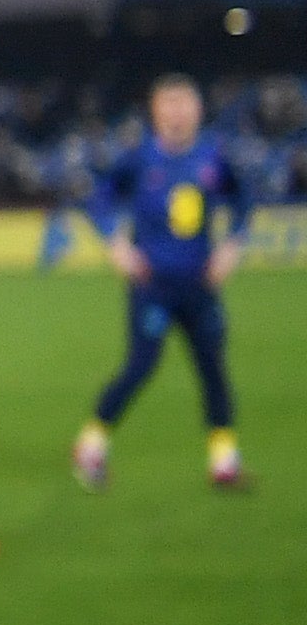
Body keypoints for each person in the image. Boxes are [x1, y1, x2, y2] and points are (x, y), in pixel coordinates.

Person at [76, 74, 245, 493]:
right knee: (141, 366)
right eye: (168, 105)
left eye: (184, 104)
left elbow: (242, 200)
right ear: (155, 111)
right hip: (153, 285)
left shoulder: (212, 157)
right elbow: (98, 198)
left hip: (200, 284)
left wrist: (231, 246)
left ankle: (223, 460)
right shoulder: (139, 159)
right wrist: (117, 246)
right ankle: (92, 443)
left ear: (197, 110)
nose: (177, 113)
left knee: (212, 368)